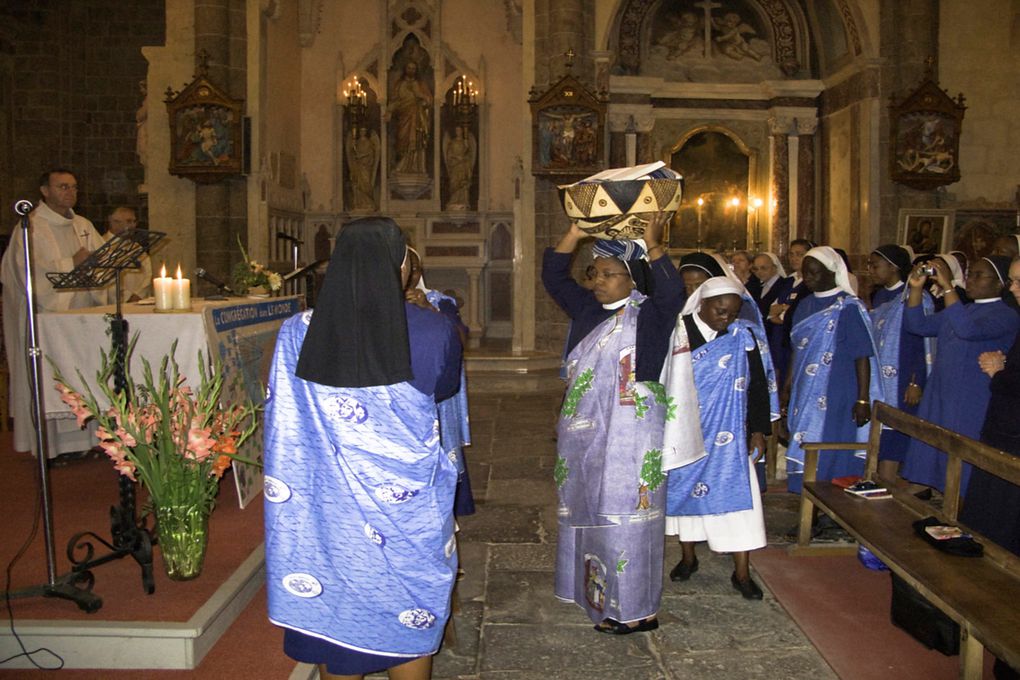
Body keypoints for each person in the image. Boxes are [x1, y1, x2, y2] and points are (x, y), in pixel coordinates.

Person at [263, 217, 462, 680]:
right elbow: (444, 388)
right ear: (401, 267)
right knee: (407, 602)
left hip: (325, 515)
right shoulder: (433, 331)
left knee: (338, 608)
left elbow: (283, 411)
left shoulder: (296, 331)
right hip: (405, 505)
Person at [542, 212, 683, 634]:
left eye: (609, 274)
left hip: (632, 440)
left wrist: (653, 244)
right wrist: (574, 233)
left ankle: (638, 611)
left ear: (634, 279)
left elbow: (672, 290)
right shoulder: (588, 308)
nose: (598, 281)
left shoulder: (652, 317)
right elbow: (553, 278)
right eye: (594, 273)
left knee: (628, 519)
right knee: (589, 512)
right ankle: (596, 596)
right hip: (586, 435)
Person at [663, 278, 779, 600]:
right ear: (702, 302)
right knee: (686, 496)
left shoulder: (743, 335)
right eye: (720, 310)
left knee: (741, 504)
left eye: (732, 312)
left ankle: (742, 573)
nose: (726, 318)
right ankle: (688, 558)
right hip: (688, 433)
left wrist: (758, 430)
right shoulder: (680, 331)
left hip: (731, 438)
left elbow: (757, 385)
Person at [1, 168, 106, 457]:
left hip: (83, 316)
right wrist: (70, 262)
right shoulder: (31, 227)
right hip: (49, 321)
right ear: (44, 191)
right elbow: (26, 273)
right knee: (55, 378)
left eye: (73, 187)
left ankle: (91, 442)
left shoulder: (83, 224)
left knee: (85, 374)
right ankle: (56, 448)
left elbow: (104, 262)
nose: (70, 192)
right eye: (62, 187)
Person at [900, 255, 1019, 496]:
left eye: (979, 275)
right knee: (933, 449)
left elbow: (967, 330)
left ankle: (959, 510)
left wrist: (948, 287)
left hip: (971, 397)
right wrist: (915, 289)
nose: (970, 280)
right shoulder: (964, 308)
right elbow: (918, 326)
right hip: (942, 391)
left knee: (961, 458)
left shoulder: (1005, 314)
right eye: (970, 274)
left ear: (999, 284)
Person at [781, 246, 881, 493]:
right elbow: (797, 348)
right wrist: (788, 384)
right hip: (806, 387)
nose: (809, 278)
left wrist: (862, 398)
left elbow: (862, 356)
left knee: (830, 445)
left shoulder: (847, 307)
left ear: (832, 272)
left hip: (838, 388)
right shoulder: (804, 305)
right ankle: (808, 501)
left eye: (815, 273)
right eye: (806, 273)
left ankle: (830, 501)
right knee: (806, 440)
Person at [405, 247, 473, 516]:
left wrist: (428, 309)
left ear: (418, 273)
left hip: (434, 387)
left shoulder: (440, 301)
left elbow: (462, 340)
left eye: (414, 269)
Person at [960, 256, 1020, 556]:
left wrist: (999, 372)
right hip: (1003, 429)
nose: (1014, 288)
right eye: (1011, 280)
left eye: (1019, 281)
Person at [867, 245, 931, 483]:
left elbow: (922, 342)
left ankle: (890, 486)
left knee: (896, 436)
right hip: (880, 379)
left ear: (893, 267)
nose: (871, 270)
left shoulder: (916, 296)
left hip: (905, 376)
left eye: (875, 265)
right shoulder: (881, 296)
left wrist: (916, 381)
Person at [753, 253, 793, 383]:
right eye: (756, 269)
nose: (759, 272)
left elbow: (778, 311)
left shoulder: (784, 285)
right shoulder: (758, 287)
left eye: (764, 268)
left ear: (775, 268)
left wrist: (767, 313)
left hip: (775, 339)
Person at [390, 60, 432, 175]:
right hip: (403, 117)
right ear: (405, 69)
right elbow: (394, 101)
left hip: (417, 116)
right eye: (409, 68)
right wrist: (389, 111)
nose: (411, 71)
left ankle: (416, 167)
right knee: (403, 139)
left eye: (413, 68)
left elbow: (429, 101)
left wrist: (419, 94)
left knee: (416, 139)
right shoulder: (399, 84)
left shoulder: (420, 84)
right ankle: (403, 165)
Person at [104, 206, 152, 303]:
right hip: (116, 303)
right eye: (129, 221)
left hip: (139, 301)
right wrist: (128, 297)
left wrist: (139, 294)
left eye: (134, 221)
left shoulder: (136, 247)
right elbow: (106, 277)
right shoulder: (101, 245)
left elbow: (148, 273)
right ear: (114, 222)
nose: (133, 225)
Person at [442, 127, 476, 209]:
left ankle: (464, 201)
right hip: (455, 166)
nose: (458, 132)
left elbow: (469, 155)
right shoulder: (452, 143)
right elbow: (449, 156)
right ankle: (454, 200)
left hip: (463, 166)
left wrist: (464, 159)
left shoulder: (466, 143)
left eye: (460, 130)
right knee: (454, 182)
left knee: (463, 183)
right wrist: (457, 157)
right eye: (456, 130)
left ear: (462, 131)